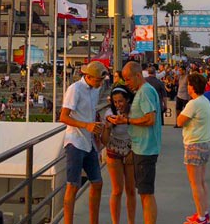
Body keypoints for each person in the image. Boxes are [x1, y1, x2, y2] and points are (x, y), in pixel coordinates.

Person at [112, 61, 161, 224]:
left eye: (128, 79)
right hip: (144, 147)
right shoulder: (145, 91)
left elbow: (150, 119)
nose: (127, 83)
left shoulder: (145, 92)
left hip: (145, 149)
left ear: (138, 75)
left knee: (146, 194)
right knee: (145, 193)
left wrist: (127, 120)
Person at [60, 60, 106, 224]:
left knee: (97, 183)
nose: (100, 84)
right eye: (98, 80)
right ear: (88, 77)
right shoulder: (75, 89)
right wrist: (86, 125)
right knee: (72, 185)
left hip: (89, 142)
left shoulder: (95, 89)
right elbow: (64, 116)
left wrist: (95, 132)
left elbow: (91, 113)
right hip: (75, 141)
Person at [177, 73, 210, 224]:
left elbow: (179, 121)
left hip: (194, 144)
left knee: (195, 183)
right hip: (204, 143)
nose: (187, 86)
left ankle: (201, 217)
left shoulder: (193, 104)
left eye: (189, 84)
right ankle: (203, 212)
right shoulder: (205, 101)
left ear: (192, 86)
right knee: (202, 181)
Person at [101, 86, 136, 224]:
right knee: (117, 190)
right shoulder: (110, 113)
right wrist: (107, 127)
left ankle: (131, 221)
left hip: (130, 149)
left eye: (120, 101)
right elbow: (104, 141)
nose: (118, 105)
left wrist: (132, 151)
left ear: (127, 99)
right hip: (113, 150)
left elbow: (139, 134)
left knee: (131, 190)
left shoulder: (134, 112)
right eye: (115, 102)